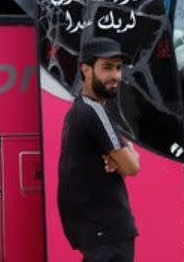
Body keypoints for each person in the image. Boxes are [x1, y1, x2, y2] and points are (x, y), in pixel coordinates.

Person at [58, 37, 140, 262]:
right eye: (106, 67)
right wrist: (129, 152)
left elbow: (123, 166)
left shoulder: (79, 110)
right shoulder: (94, 111)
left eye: (118, 68)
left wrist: (121, 157)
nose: (115, 75)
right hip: (108, 235)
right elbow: (132, 167)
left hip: (96, 235)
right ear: (86, 70)